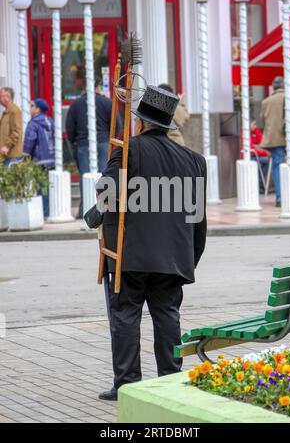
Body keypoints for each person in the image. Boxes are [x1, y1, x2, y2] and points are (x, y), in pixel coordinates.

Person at [96, 86, 207, 401]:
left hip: (128, 255)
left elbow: (105, 196)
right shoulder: (194, 161)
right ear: (169, 123)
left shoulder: (128, 150)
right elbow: (198, 219)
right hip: (172, 257)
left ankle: (128, 384)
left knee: (125, 317)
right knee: (167, 315)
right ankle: (170, 379)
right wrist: (190, 258)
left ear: (141, 122)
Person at [66, 77, 122, 218]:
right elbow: (118, 123)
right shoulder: (107, 102)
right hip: (103, 142)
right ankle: (105, 210)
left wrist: (75, 141)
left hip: (83, 144)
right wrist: (110, 138)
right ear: (98, 87)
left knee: (85, 177)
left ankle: (84, 209)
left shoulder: (76, 104)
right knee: (104, 175)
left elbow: (69, 127)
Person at [260, 76, 290, 207]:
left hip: (274, 139)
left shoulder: (266, 101)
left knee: (277, 166)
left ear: (274, 86)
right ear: (284, 85)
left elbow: (263, 119)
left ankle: (279, 198)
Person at [23, 99, 55, 218]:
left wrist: (25, 155)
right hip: (51, 159)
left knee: (40, 186)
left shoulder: (33, 123)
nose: (30, 108)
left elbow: (29, 140)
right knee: (48, 186)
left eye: (32, 106)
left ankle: (43, 213)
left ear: (37, 109)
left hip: (39, 159)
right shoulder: (50, 121)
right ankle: (48, 211)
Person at [0, 87, 22, 166]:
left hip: (12, 155)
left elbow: (16, 132)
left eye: (0, 96)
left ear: (7, 98)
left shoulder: (14, 111)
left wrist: (7, 146)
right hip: (6, 155)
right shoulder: (7, 112)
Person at [248, 119, 271, 194]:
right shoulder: (245, 134)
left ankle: (259, 182)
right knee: (267, 161)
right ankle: (259, 183)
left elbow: (261, 141)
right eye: (254, 125)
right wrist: (265, 153)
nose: (256, 126)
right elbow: (252, 149)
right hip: (250, 156)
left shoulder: (253, 132)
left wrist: (256, 130)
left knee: (267, 162)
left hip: (255, 155)